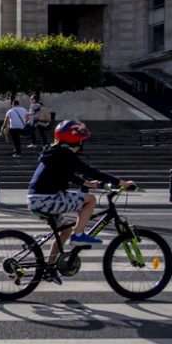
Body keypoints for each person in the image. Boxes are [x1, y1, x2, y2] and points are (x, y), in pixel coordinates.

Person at [27, 120, 135, 285]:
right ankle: (79, 236)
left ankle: (49, 269)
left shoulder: (55, 152)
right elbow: (90, 171)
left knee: (65, 230)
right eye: (81, 139)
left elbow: (69, 174)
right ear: (74, 139)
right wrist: (122, 183)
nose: (82, 142)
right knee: (90, 200)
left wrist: (89, 184)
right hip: (46, 199)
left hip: (37, 199)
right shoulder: (66, 154)